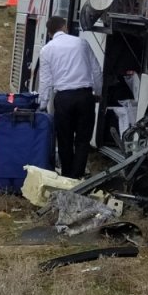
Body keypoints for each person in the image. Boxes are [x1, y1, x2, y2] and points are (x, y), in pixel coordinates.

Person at [38, 16, 102, 179]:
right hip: (84, 96)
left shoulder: (46, 50)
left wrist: (42, 104)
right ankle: (77, 176)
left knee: (64, 138)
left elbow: (46, 81)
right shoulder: (81, 43)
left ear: (50, 32)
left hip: (63, 98)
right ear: (65, 26)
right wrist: (99, 92)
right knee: (83, 139)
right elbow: (96, 70)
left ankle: (67, 175)